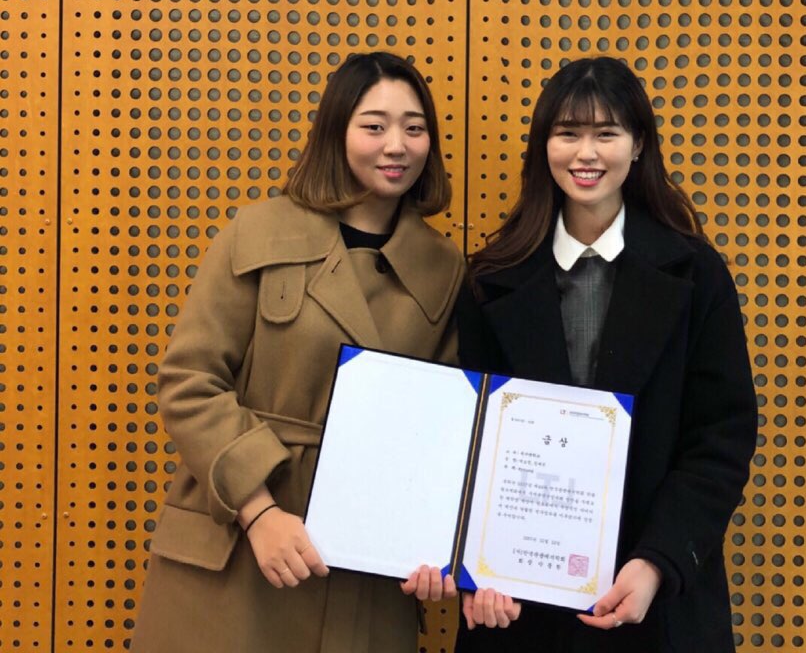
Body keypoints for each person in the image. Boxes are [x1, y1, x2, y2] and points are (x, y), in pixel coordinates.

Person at [131, 52, 463, 653]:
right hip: (238, 545)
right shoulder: (258, 230)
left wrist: (435, 543)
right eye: (374, 126)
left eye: (415, 128)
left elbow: (438, 432)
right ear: (337, 131)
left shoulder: (444, 268)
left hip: (362, 563)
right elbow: (189, 381)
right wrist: (259, 512)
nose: (397, 145)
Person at [455, 56, 757, 653]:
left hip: (652, 599)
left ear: (638, 144)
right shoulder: (492, 278)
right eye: (568, 133)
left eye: (606, 134)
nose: (586, 153)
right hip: (519, 603)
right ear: (544, 146)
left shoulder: (696, 274)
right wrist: (473, 567)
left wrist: (658, 562)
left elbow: (720, 437)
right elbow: (466, 439)